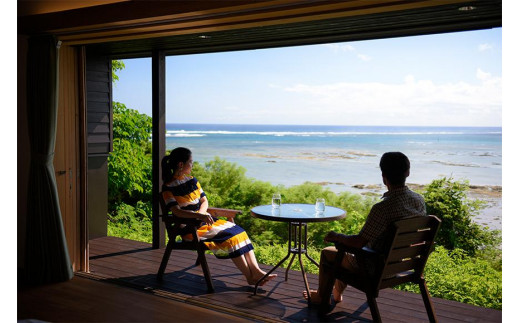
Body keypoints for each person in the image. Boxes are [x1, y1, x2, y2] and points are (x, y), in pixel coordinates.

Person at [303, 152, 426, 305]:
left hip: (376, 267)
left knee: (329, 253)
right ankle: (336, 293)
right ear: (407, 172)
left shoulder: (382, 208)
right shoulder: (419, 201)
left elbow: (359, 242)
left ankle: (321, 298)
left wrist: (337, 236)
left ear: (383, 176)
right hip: (403, 264)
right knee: (345, 254)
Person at [161, 147, 277, 286]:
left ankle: (256, 270)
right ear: (181, 164)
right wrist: (197, 216)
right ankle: (249, 276)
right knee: (231, 238)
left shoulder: (193, 181)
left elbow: (204, 201)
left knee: (240, 232)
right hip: (190, 229)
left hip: (204, 221)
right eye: (190, 162)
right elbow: (176, 212)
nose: (192, 165)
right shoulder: (168, 188)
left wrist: (202, 214)